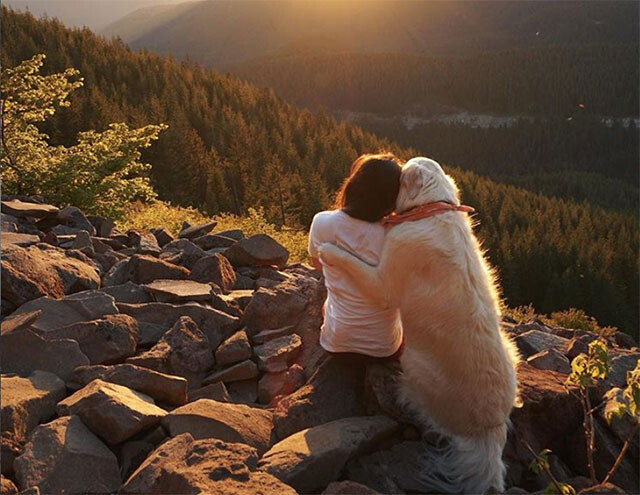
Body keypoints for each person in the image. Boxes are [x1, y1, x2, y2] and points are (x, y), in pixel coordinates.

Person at [308, 152, 404, 359]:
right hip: (384, 347)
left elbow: (317, 263)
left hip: (336, 341)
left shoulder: (323, 222)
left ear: (354, 185)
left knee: (330, 302)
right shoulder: (397, 235)